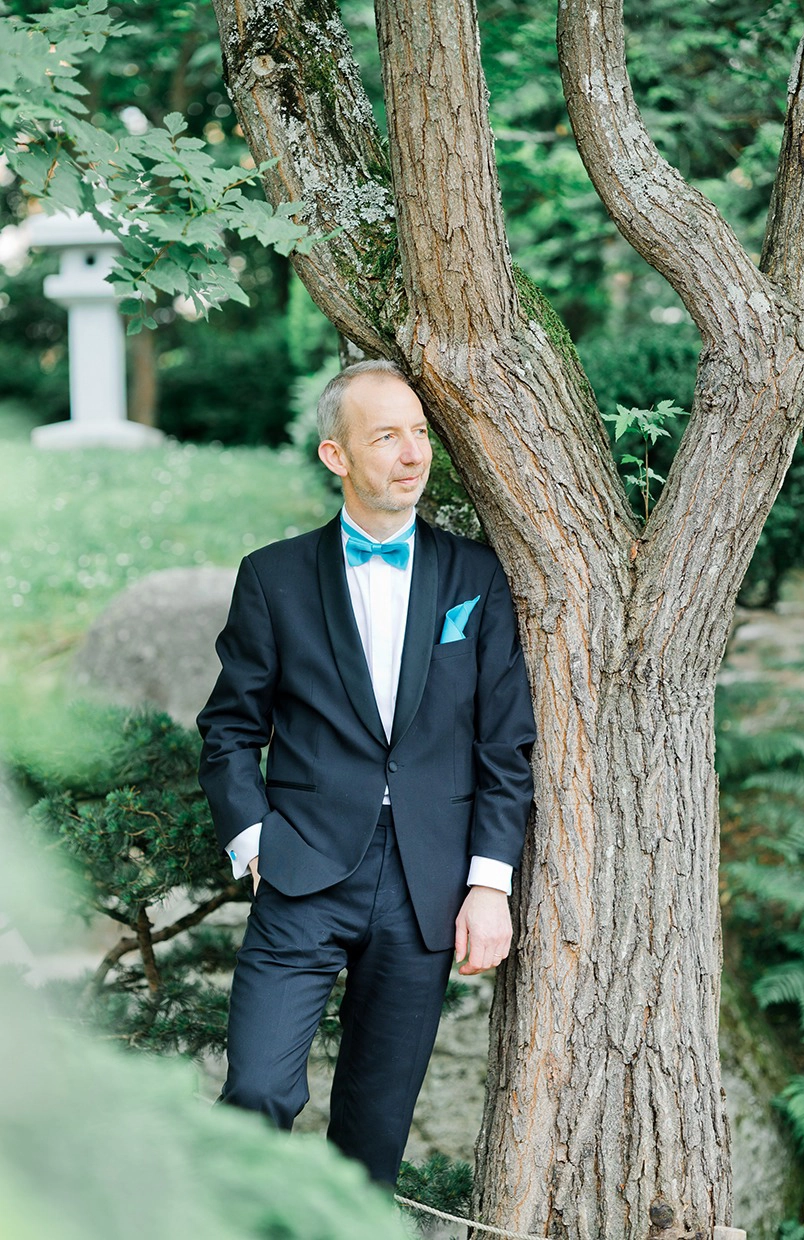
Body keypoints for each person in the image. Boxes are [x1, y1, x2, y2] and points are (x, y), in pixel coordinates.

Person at [196, 359, 535, 1186]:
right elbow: (229, 727)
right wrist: (255, 841)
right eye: (385, 436)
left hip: (428, 883)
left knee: (372, 1136)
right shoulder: (272, 578)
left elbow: (505, 745)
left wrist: (489, 885)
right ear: (336, 457)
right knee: (256, 1094)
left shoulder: (476, 577)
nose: (412, 453)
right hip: (302, 871)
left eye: (419, 433)